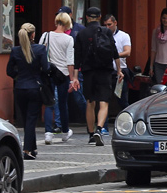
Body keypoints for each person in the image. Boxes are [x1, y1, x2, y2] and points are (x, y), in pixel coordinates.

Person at [6, 22, 50, 160]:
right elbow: (46, 68)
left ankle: (32, 147)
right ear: (33, 35)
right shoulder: (40, 49)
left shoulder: (15, 51)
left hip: (20, 88)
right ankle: (26, 150)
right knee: (31, 119)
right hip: (35, 87)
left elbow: (9, 71)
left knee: (26, 120)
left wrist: (18, 77)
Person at [74, 7, 116, 145]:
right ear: (99, 17)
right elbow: (114, 52)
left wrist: (75, 77)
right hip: (105, 71)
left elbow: (77, 57)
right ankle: (99, 129)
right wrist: (120, 69)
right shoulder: (106, 31)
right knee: (104, 102)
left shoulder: (82, 34)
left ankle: (91, 134)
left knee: (90, 102)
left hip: (88, 71)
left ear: (86, 17)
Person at [41, 12, 79, 144]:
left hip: (48, 73)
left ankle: (48, 133)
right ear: (67, 23)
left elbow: (40, 52)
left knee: (49, 103)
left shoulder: (46, 35)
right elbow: (70, 61)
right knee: (62, 104)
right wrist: (72, 79)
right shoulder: (68, 39)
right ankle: (65, 131)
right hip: (62, 74)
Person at [103, 14, 132, 115]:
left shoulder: (124, 36)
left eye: (109, 24)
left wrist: (114, 55)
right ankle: (103, 126)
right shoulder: (102, 36)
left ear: (115, 23)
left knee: (122, 99)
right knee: (104, 99)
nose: (107, 27)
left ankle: (129, 118)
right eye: (105, 25)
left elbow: (127, 52)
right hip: (106, 71)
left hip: (120, 71)